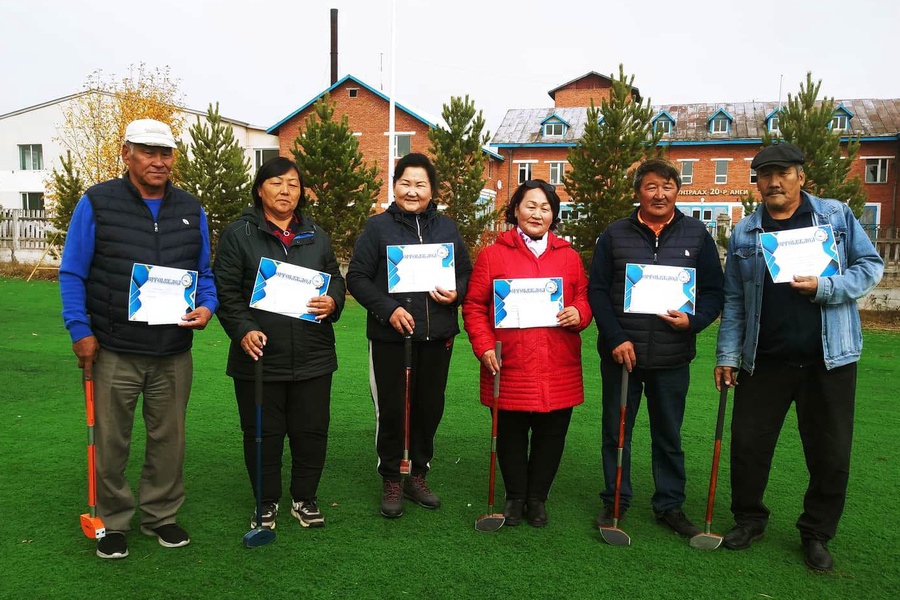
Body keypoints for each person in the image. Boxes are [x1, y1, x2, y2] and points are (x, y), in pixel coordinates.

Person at [714, 143, 883, 572]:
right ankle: (749, 519)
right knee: (749, 446)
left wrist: (826, 288)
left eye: (782, 173)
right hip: (764, 359)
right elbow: (734, 300)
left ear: (801, 177)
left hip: (830, 359)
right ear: (757, 183)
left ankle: (816, 533)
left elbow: (870, 266)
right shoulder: (746, 233)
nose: (772, 182)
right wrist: (728, 354)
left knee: (830, 452)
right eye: (764, 175)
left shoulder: (836, 217)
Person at [59, 119, 218, 559]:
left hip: (172, 351)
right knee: (112, 440)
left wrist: (207, 307)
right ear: (127, 152)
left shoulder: (191, 207)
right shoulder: (97, 202)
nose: (158, 160)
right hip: (113, 348)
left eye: (165, 153)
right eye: (148, 151)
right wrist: (80, 330)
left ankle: (161, 516)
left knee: (169, 439)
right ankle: (112, 521)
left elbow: (204, 274)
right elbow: (73, 271)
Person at [588, 157, 724, 537]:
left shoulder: (696, 234)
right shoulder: (615, 234)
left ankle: (669, 505)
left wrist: (694, 321)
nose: (659, 194)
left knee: (668, 434)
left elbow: (715, 291)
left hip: (672, 357)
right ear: (638, 193)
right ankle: (615, 500)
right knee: (616, 433)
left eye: (667, 186)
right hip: (622, 357)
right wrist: (615, 337)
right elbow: (597, 291)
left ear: (677, 191)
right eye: (651, 186)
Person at [214, 157, 345, 531]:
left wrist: (334, 300)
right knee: (262, 435)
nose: (286, 190)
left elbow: (335, 278)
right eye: (276, 182)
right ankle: (265, 502)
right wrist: (243, 330)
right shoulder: (239, 234)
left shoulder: (316, 235)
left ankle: (304, 498)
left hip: (313, 355)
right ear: (260, 189)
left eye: (293, 183)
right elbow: (225, 290)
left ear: (301, 191)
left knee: (311, 433)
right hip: (259, 357)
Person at [346, 152, 473, 518]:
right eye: (406, 183)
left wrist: (457, 293)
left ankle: (417, 474)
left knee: (428, 408)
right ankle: (391, 476)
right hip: (392, 340)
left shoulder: (447, 228)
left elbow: (465, 273)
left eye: (420, 184)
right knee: (392, 409)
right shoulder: (377, 228)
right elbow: (357, 277)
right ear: (395, 185)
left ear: (432, 190)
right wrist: (389, 309)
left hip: (438, 337)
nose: (412, 191)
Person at [462, 179, 592, 527]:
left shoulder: (569, 256)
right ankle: (515, 496)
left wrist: (580, 313)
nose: (537, 213)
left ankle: (537, 498)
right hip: (509, 363)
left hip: (557, 364)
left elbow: (583, 297)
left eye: (545, 207)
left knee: (552, 435)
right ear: (515, 210)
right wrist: (484, 346)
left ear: (554, 215)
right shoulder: (493, 254)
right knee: (510, 435)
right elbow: (474, 306)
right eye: (530, 205)